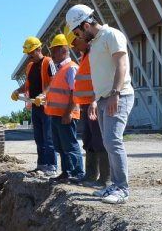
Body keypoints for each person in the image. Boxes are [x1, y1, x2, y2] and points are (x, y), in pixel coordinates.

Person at [66, 4, 135, 204]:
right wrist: (96, 100)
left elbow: (122, 64)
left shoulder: (111, 35)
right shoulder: (95, 44)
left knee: (113, 140)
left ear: (86, 25)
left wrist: (115, 93)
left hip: (119, 95)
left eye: (77, 32)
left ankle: (122, 188)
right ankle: (114, 185)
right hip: (103, 98)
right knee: (106, 142)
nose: (78, 37)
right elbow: (100, 76)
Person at [64, 24, 111, 188]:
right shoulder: (86, 56)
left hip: (95, 103)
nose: (75, 48)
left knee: (100, 140)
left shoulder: (94, 54)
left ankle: (105, 178)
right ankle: (91, 174)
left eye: (75, 43)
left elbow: (99, 79)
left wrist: (95, 101)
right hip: (86, 105)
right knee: (89, 140)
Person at [11, 36, 58, 177]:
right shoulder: (30, 66)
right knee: (39, 137)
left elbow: (54, 81)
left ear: (39, 49)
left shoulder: (48, 62)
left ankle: (52, 166)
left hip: (46, 105)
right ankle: (42, 165)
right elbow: (27, 85)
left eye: (31, 52)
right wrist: (17, 91)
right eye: (28, 52)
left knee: (48, 138)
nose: (29, 55)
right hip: (35, 106)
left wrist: (43, 95)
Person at [44, 34, 84, 183]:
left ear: (63, 50)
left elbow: (76, 92)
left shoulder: (71, 68)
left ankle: (77, 173)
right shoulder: (61, 69)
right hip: (57, 115)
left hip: (66, 114)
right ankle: (66, 172)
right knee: (60, 146)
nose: (51, 54)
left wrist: (67, 113)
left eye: (54, 51)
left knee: (70, 145)